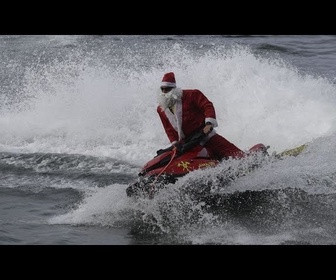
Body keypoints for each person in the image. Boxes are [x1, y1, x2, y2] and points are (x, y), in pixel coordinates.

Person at [156, 72, 245, 161]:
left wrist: (209, 124)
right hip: (186, 144)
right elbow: (168, 129)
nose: (164, 92)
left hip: (205, 135)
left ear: (174, 88)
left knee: (236, 155)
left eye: (167, 89)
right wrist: (175, 143)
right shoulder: (161, 109)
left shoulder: (192, 94)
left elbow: (207, 106)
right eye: (162, 89)